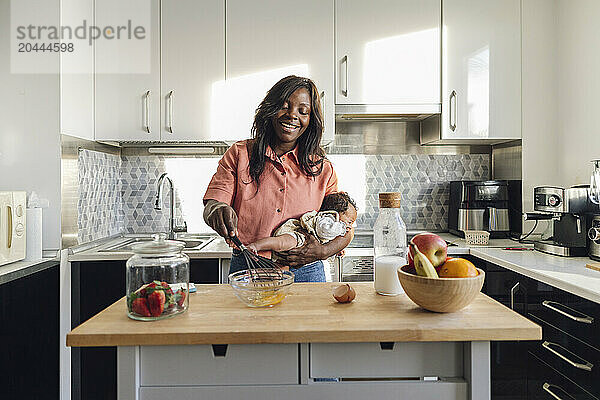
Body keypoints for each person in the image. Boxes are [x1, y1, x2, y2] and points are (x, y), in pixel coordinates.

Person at [203, 75, 354, 282]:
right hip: (249, 265)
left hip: (306, 271)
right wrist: (217, 211)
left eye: (303, 111)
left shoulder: (322, 168)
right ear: (270, 110)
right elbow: (213, 204)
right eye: (284, 106)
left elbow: (345, 227)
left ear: (311, 120)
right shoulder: (239, 155)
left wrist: (322, 252)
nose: (293, 116)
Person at [247, 192, 357, 258]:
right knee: (281, 243)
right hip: (300, 234)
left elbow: (327, 240)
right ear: (337, 213)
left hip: (305, 245)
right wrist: (342, 229)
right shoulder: (328, 218)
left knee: (284, 269)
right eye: (349, 221)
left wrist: (336, 249)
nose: (350, 225)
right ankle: (257, 246)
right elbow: (324, 231)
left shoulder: (335, 224)